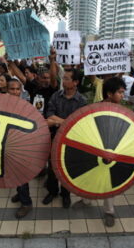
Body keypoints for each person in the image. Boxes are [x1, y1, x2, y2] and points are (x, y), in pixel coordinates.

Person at [72, 77, 126, 227]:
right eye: (120, 92)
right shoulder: (94, 109)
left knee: (109, 182)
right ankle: (86, 200)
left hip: (112, 155)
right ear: (109, 94)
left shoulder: (124, 112)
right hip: (93, 152)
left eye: (123, 92)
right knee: (90, 177)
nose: (123, 96)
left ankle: (109, 211)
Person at [44, 68, 87, 208]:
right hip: (54, 137)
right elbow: (49, 115)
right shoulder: (56, 96)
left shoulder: (82, 101)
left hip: (72, 142)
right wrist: (68, 122)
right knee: (52, 167)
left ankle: (65, 194)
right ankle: (52, 191)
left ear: (75, 82)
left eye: (67, 78)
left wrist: (58, 121)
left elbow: (80, 123)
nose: (63, 80)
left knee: (67, 168)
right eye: (63, 78)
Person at [5, 79, 34, 218]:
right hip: (7, 145)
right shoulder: (1, 105)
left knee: (21, 175)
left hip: (21, 146)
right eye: (12, 89)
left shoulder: (25, 106)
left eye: (18, 89)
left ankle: (26, 203)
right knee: (14, 174)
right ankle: (20, 192)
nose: (15, 92)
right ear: (7, 90)